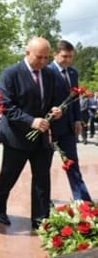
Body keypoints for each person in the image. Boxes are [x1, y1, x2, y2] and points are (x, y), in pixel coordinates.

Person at [0, 37, 62, 229]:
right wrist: (31, 121)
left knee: (42, 179)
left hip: (41, 139)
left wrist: (55, 110)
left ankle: (40, 219)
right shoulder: (11, 73)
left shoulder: (49, 74)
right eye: (39, 57)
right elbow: (5, 105)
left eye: (46, 58)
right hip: (16, 137)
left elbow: (52, 100)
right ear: (27, 53)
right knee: (9, 176)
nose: (42, 62)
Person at [48, 40, 92, 201]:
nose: (68, 60)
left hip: (68, 128)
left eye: (70, 57)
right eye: (64, 56)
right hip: (50, 128)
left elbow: (75, 97)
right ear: (55, 54)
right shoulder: (47, 71)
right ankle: (44, 203)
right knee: (43, 168)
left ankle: (83, 202)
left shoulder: (73, 73)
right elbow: (42, 99)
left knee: (73, 164)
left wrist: (78, 120)